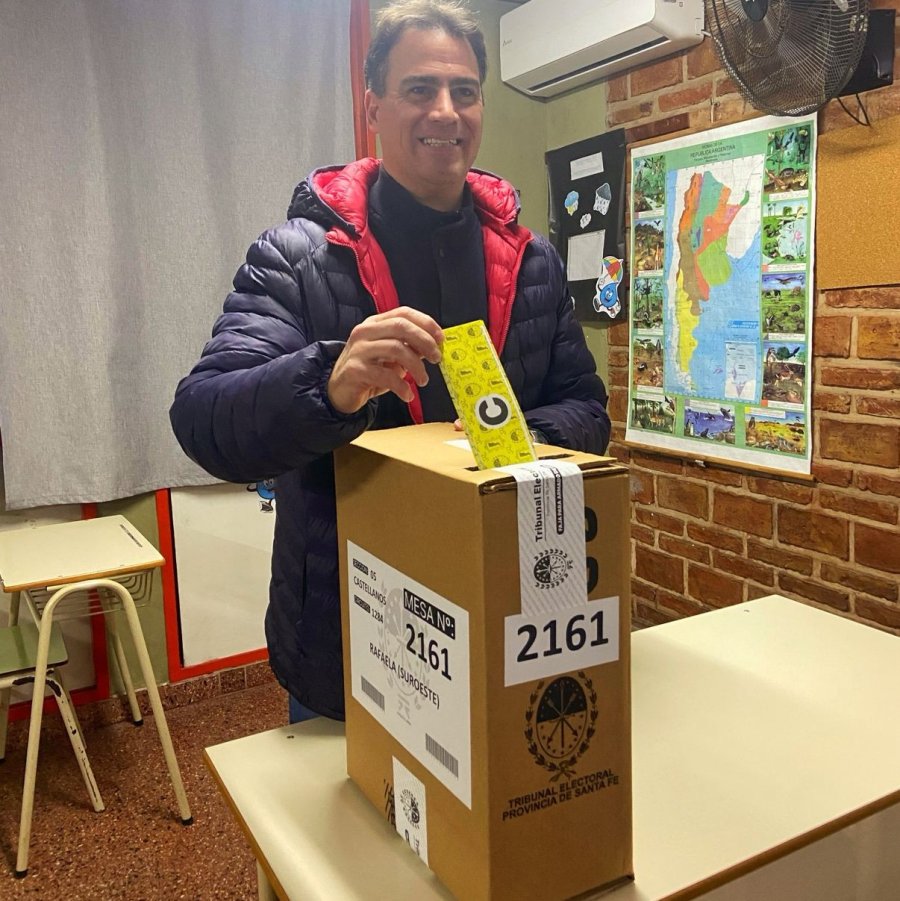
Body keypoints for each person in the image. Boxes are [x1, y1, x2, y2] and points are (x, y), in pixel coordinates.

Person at [170, 0, 610, 723]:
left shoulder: (531, 263)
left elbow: (588, 411)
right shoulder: (298, 257)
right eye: (419, 89)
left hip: (504, 616)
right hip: (349, 641)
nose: (446, 110)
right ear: (373, 104)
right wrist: (328, 382)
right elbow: (203, 418)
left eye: (464, 91)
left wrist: (500, 445)